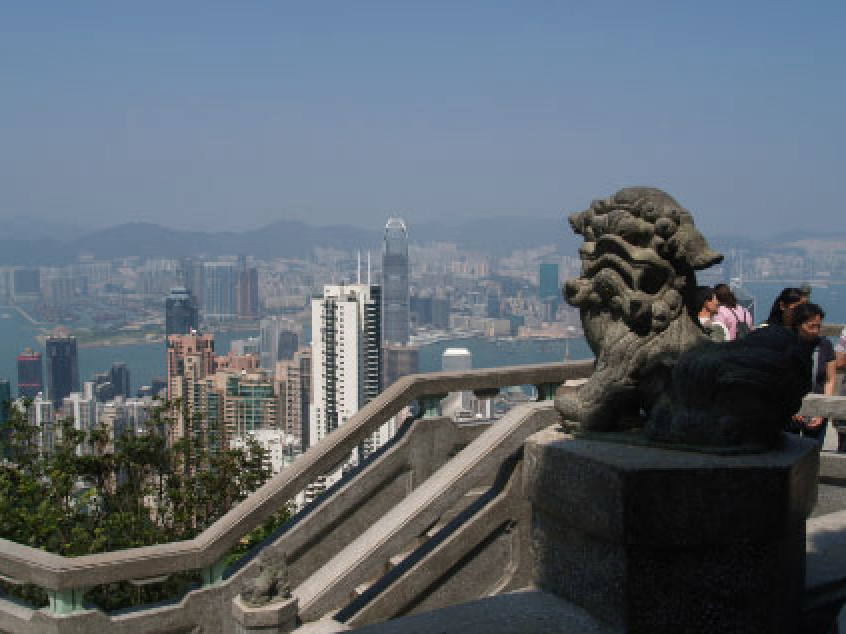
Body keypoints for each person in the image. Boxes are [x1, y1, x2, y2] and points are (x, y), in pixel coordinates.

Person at [789, 302, 836, 442]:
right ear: (798, 325)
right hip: (790, 410)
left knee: (814, 456)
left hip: (818, 410)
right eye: (810, 327)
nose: (815, 331)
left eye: (818, 326)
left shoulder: (825, 345)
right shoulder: (786, 344)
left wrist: (822, 411)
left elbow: (830, 380)